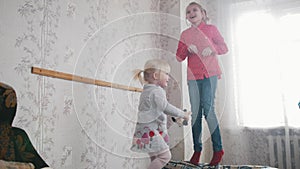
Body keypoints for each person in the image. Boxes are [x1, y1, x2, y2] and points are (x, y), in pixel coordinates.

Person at [176, 2, 228, 166]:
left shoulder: (211, 30)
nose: (191, 13)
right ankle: (197, 150)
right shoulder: (185, 34)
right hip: (193, 78)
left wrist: (212, 48)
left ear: (203, 13)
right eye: (188, 11)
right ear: (186, 17)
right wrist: (186, 49)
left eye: (195, 10)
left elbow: (224, 48)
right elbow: (179, 57)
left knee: (208, 109)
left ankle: (218, 149)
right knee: (196, 114)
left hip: (210, 75)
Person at [131, 59, 191, 169]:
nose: (169, 77)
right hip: (150, 132)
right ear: (155, 75)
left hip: (144, 131)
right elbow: (166, 107)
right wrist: (183, 114)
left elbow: (157, 110)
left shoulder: (147, 90)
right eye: (167, 74)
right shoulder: (156, 91)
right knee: (165, 156)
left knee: (155, 158)